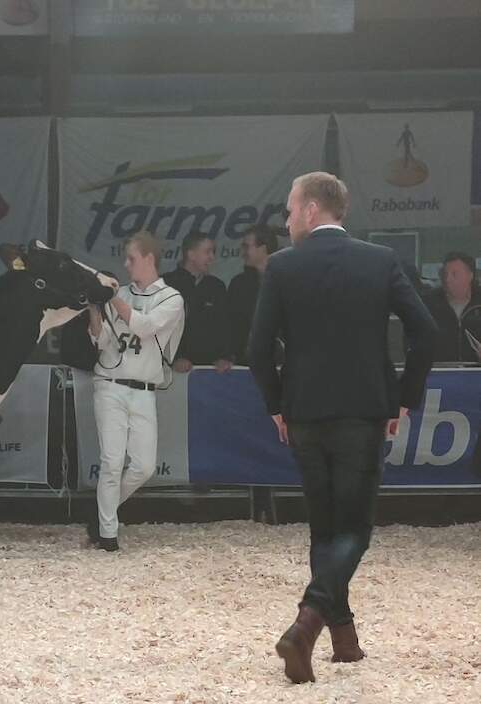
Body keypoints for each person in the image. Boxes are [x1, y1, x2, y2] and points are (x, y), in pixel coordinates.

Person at [248, 172, 436, 684]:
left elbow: (256, 350)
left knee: (325, 528)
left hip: (305, 413)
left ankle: (344, 641)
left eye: (289, 210)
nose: (286, 221)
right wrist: (405, 398)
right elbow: (426, 332)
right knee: (353, 530)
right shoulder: (379, 261)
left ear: (312, 209)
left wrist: (276, 406)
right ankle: (307, 624)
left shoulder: (283, 267)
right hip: (363, 411)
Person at [86, 231, 185, 551]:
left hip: (144, 389)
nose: (126, 265)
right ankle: (107, 536)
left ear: (149, 259)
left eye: (131, 258)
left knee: (144, 466)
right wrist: (94, 307)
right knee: (112, 461)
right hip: (109, 384)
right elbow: (101, 342)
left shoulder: (172, 298)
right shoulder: (121, 294)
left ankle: (102, 513)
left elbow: (144, 326)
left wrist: (111, 295)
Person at [163, 231, 231, 373]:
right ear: (191, 255)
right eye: (208, 252)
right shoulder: (165, 284)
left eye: (213, 252)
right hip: (172, 373)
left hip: (210, 371)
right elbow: (158, 328)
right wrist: (175, 358)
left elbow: (224, 326)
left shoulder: (216, 286)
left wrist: (224, 357)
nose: (212, 257)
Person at [227, 224, 282, 365]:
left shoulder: (289, 281)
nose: (242, 252)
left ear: (262, 248)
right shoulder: (238, 284)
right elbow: (231, 325)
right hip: (244, 366)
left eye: (246, 246)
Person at [422, 252, 481, 364]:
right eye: (445, 274)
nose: (448, 279)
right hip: (438, 373)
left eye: (455, 274)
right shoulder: (428, 304)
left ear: (470, 275)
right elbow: (414, 338)